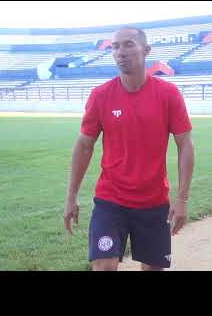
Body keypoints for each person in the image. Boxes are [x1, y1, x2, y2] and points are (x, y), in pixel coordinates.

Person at [63, 27, 195, 271]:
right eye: (116, 46)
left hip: (153, 201)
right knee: (104, 265)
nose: (121, 52)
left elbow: (185, 144)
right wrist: (71, 197)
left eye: (128, 44)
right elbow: (84, 146)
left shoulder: (168, 94)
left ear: (146, 51)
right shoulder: (101, 95)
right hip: (111, 199)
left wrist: (182, 198)